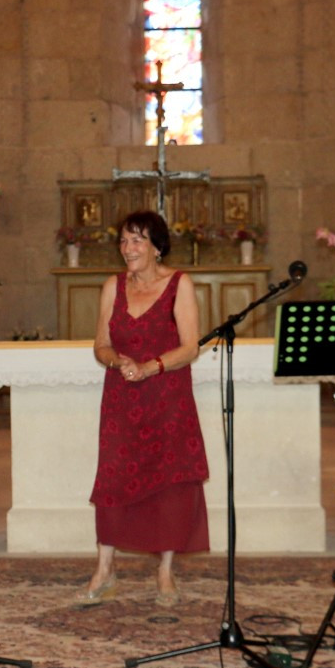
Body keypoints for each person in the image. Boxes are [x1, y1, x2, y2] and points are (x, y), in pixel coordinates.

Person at [78, 210, 210, 607]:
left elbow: (190, 346)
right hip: (122, 397)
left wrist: (151, 367)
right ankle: (105, 570)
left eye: (137, 240)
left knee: (168, 481)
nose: (128, 248)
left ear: (156, 247)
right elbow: (101, 344)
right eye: (123, 240)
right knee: (112, 478)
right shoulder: (112, 286)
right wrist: (116, 361)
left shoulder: (179, 284)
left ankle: (165, 571)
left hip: (168, 396)